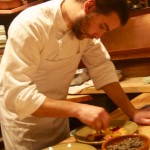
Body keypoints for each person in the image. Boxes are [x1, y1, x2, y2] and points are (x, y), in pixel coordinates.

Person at [0, 0, 150, 149]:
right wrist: (78, 109)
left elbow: (102, 68)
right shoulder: (30, 25)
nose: (98, 36)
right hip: (25, 128)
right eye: (101, 26)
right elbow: (16, 95)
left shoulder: (85, 30)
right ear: (89, 6)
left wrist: (132, 111)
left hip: (58, 120)